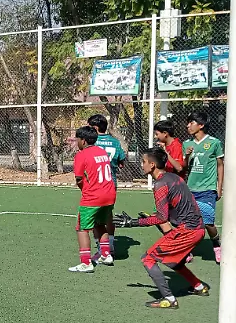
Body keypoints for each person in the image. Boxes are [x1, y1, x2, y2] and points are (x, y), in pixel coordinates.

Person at [114, 148, 210, 309]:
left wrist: (132, 222)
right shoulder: (174, 177)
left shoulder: (160, 184)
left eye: (144, 161)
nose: (142, 164)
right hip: (197, 229)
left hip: (188, 231)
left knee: (148, 259)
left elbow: (161, 218)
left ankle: (169, 299)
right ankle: (199, 287)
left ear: (152, 165)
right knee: (174, 262)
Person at [69, 126, 116, 273]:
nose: (76, 142)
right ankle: (106, 254)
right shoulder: (101, 152)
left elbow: (78, 179)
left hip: (93, 197)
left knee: (82, 228)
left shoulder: (81, 155)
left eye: (77, 139)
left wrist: (85, 191)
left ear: (83, 140)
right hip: (109, 194)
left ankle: (86, 263)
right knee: (100, 224)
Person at [183, 111, 224, 264]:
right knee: (188, 221)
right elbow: (184, 168)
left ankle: (216, 245)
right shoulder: (187, 144)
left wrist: (219, 188)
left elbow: (220, 166)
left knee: (208, 222)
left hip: (208, 189)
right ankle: (187, 250)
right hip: (191, 189)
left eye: (191, 123)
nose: (188, 126)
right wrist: (187, 156)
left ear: (201, 125)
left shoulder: (214, 143)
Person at [87, 114, 126, 258]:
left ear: (95, 128)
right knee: (108, 215)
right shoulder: (115, 142)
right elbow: (122, 162)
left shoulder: (92, 143)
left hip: (95, 185)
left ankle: (101, 248)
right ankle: (110, 244)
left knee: (93, 218)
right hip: (111, 184)